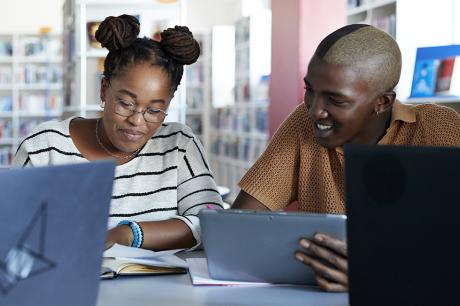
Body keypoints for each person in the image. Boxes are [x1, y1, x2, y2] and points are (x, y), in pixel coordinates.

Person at [232, 24, 460, 292]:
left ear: (383, 102)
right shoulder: (302, 124)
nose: (315, 111)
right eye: (310, 90)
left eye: (335, 100)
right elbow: (239, 228)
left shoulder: (440, 129)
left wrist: (378, 274)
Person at [12, 14, 223, 251]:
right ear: (104, 90)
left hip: (164, 288)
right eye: (125, 103)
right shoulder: (44, 148)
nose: (136, 121)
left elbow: (212, 224)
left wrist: (127, 234)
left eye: (154, 110)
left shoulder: (179, 146)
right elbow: (11, 231)